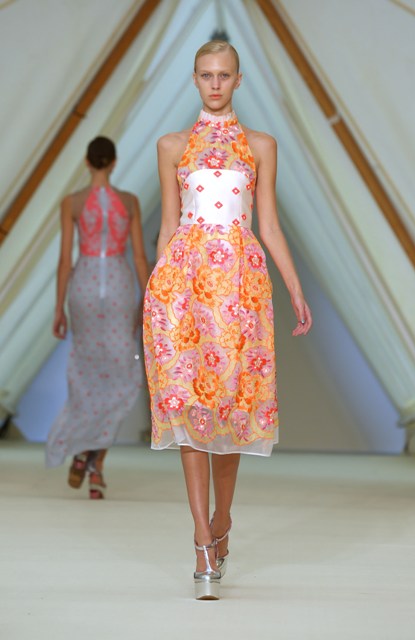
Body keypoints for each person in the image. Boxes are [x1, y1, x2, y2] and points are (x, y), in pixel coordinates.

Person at [142, 41, 312, 599]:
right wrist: (158, 295)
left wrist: (294, 288)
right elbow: (169, 225)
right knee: (190, 406)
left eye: (223, 75)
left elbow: (269, 223)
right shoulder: (172, 146)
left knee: (233, 408)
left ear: (239, 80)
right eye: (205, 75)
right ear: (194, 79)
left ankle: (223, 518)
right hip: (182, 289)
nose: (214, 84)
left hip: (240, 287)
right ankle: (200, 538)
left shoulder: (261, 145)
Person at [46, 136, 149, 499]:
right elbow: (139, 257)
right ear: (114, 162)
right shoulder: (129, 202)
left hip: (85, 285)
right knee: (124, 375)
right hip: (119, 283)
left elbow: (65, 260)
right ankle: (95, 463)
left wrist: (58, 307)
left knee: (86, 372)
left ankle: (83, 450)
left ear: (87, 163)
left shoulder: (72, 203)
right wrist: (149, 298)